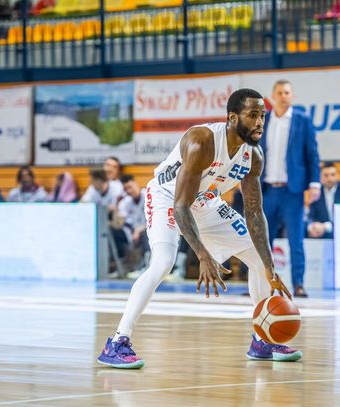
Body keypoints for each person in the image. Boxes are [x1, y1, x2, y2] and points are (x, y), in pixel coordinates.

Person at [97, 88, 301, 369]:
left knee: (259, 259)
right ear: (232, 118)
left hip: (206, 201)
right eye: (252, 115)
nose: (259, 123)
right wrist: (203, 255)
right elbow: (181, 206)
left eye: (262, 116)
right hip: (168, 198)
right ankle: (118, 341)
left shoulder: (253, 155)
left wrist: (269, 265)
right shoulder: (201, 141)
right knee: (163, 263)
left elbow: (254, 213)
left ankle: (262, 339)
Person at [260, 79, 321, 298]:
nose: (283, 96)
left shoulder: (302, 120)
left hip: (292, 191)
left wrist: (314, 183)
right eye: (280, 92)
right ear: (272, 96)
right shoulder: (263, 120)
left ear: (292, 96)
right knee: (262, 241)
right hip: (266, 190)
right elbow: (252, 152)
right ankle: (262, 284)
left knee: (296, 240)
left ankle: (298, 284)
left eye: (287, 92)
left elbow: (312, 154)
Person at [307, 162, 340, 239]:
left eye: (333, 175)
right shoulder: (316, 192)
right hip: (320, 233)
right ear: (320, 177)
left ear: (338, 175)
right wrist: (312, 227)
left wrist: (325, 227)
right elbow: (311, 215)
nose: (330, 179)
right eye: (326, 175)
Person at [112, 174, 150, 274]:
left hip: (150, 228)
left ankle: (147, 265)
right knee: (114, 232)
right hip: (132, 233)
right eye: (125, 189)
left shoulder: (148, 195)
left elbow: (156, 218)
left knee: (145, 233)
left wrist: (139, 230)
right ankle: (121, 267)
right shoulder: (125, 202)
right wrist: (116, 205)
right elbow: (117, 224)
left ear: (136, 184)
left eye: (130, 187)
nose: (128, 191)